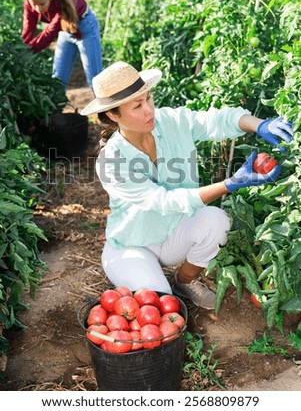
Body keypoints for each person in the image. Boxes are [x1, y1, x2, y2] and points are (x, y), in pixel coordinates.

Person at [80, 61, 293, 310]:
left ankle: (184, 281)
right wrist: (230, 184)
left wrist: (259, 124)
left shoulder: (169, 122)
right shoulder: (112, 161)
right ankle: (149, 280)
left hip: (172, 234)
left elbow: (215, 121)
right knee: (159, 305)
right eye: (138, 106)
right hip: (133, 245)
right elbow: (164, 201)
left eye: (149, 98)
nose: (149, 110)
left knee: (217, 221)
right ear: (113, 115)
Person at [21, 0, 102, 89]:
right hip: (65, 31)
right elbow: (28, 26)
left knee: (94, 78)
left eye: (42, 4)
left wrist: (30, 49)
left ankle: (108, 106)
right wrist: (22, 46)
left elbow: (50, 32)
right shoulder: (29, 4)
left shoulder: (60, 2)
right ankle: (57, 105)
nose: (37, 9)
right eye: (33, 4)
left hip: (85, 27)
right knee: (58, 78)